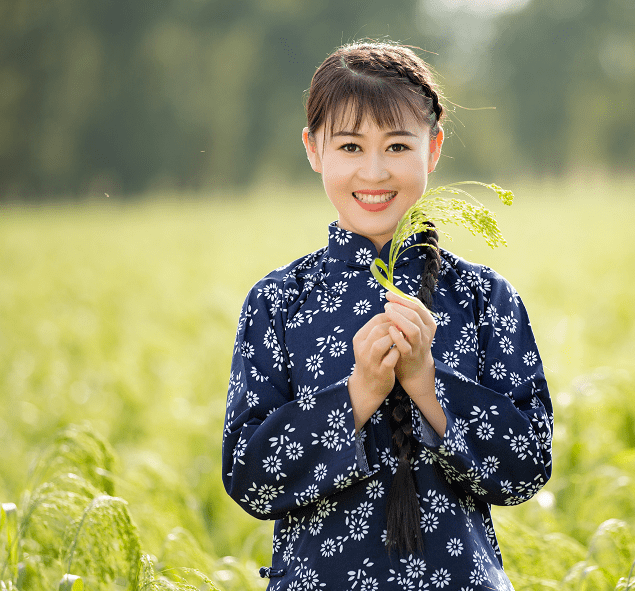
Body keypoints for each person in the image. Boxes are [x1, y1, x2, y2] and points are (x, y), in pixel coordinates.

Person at [222, 40, 553, 590]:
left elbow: (527, 467)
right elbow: (250, 478)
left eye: (398, 146)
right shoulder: (278, 303)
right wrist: (360, 392)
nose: (373, 172)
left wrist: (426, 382)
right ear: (312, 149)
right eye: (350, 147)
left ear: (434, 147)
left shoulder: (482, 297)